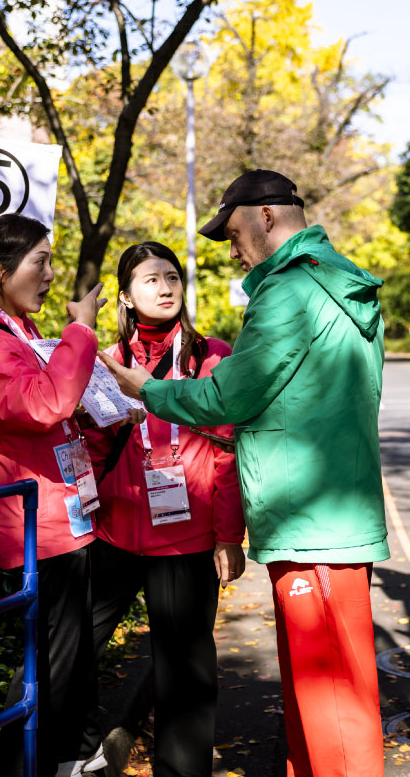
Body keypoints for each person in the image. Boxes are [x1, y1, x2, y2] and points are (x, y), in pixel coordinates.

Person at [99, 170, 389, 777]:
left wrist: (147, 389)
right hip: (330, 508)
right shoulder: (338, 283)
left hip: (310, 518)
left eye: (232, 233)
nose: (231, 252)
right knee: (329, 692)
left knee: (329, 696)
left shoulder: (288, 292)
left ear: (265, 217)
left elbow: (229, 398)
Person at [0, 213, 108, 777]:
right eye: (39, 262)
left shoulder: (17, 335)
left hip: (63, 518)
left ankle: (76, 756)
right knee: (53, 664)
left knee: (72, 659)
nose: (48, 274)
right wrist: (80, 332)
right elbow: (43, 405)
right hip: (36, 528)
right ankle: (16, 767)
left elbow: (54, 411)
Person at [79, 241, 246, 777]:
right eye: (149, 280)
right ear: (126, 296)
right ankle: (65, 753)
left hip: (188, 536)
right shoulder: (109, 360)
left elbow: (225, 450)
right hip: (117, 532)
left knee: (185, 674)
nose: (165, 286)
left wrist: (228, 535)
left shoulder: (211, 355)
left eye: (171, 276)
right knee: (72, 646)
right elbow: (95, 450)